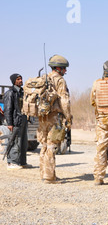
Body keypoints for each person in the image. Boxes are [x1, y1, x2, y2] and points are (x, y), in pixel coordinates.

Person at [38, 55, 72, 183]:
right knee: (52, 146)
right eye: (64, 68)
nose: (65, 71)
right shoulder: (60, 80)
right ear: (58, 68)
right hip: (53, 117)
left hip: (42, 117)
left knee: (44, 146)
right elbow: (64, 100)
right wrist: (68, 117)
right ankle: (49, 177)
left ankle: (44, 174)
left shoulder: (44, 79)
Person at [3, 73, 29, 170]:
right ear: (14, 81)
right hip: (15, 121)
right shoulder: (10, 93)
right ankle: (12, 162)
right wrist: (10, 123)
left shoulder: (22, 92)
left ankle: (22, 162)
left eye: (21, 78)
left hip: (23, 120)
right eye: (18, 79)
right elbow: (8, 109)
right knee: (14, 141)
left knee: (23, 142)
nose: (20, 80)